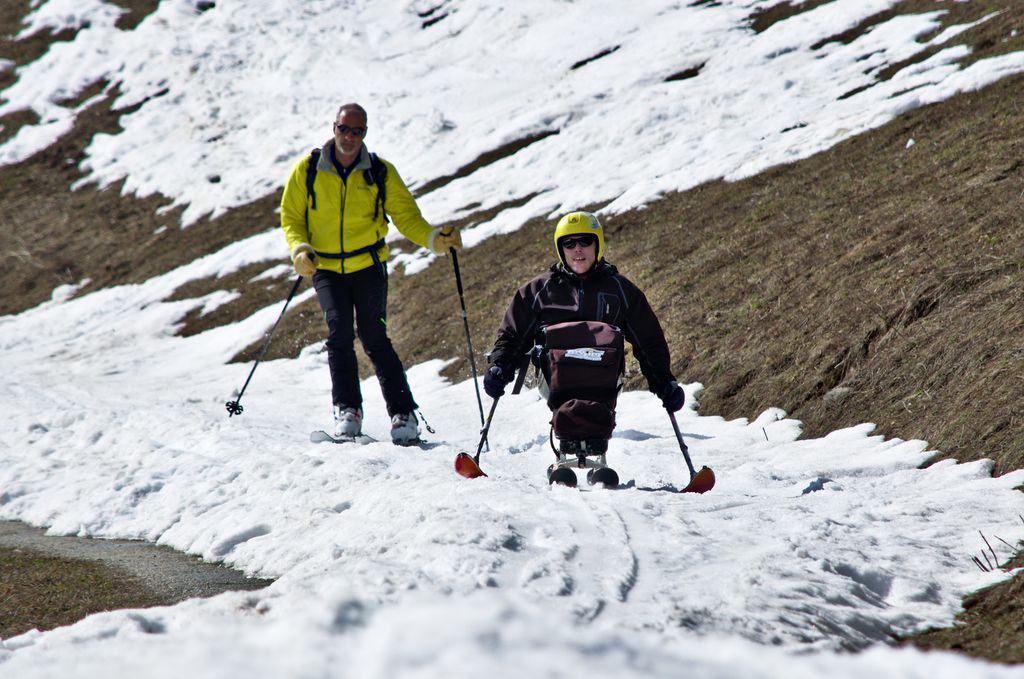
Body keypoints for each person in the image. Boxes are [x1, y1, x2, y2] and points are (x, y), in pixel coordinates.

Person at [280, 103, 461, 444]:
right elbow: (291, 217)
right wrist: (300, 249)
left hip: (368, 267)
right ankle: (348, 410)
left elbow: (407, 217)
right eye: (344, 129)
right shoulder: (308, 170)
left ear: (365, 133)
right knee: (339, 335)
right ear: (334, 127)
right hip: (327, 268)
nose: (349, 137)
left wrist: (436, 240)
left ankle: (403, 414)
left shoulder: (379, 172)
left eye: (357, 131)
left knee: (374, 338)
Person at [482, 211, 684, 481]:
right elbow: (513, 334)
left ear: (597, 244)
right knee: (564, 384)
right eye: (569, 243)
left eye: (585, 241)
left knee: (598, 392)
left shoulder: (621, 291)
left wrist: (664, 382)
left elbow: (648, 341)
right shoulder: (538, 291)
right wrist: (499, 367)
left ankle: (597, 455)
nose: (577, 249)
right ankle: (564, 456)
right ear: (560, 248)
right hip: (553, 378)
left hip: (605, 377)